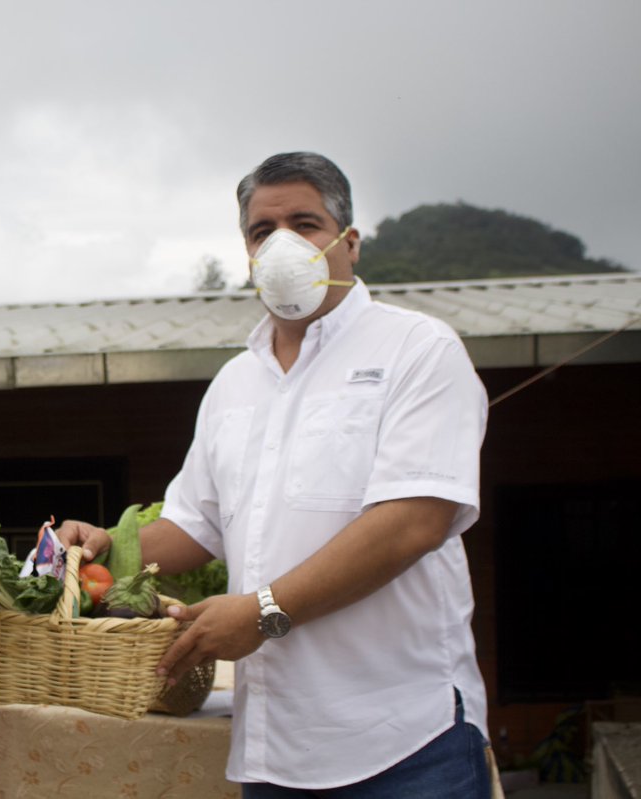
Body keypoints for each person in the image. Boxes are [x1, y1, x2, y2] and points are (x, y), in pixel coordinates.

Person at [60, 152, 492, 797]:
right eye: (264, 231)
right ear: (247, 253)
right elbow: (196, 524)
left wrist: (263, 613)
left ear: (349, 243)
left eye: (305, 223)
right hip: (275, 746)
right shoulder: (236, 382)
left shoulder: (417, 350)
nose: (284, 243)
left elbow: (412, 523)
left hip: (405, 738)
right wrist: (105, 545)